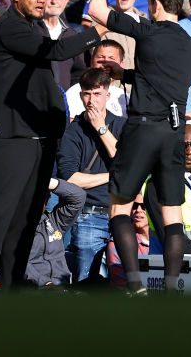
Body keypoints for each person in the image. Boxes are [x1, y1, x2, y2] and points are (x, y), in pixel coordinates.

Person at [0, 0, 101, 292]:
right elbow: (54, 51)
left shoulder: (31, 27)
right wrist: (95, 34)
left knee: (24, 222)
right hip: (11, 138)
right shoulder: (8, 26)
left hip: (37, 139)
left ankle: (11, 289)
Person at [87, 0, 191, 294]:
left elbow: (96, 9)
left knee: (119, 207)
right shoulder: (190, 45)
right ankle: (173, 286)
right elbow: (161, 77)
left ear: (155, 4)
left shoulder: (147, 30)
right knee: (172, 214)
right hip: (174, 131)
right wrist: (127, 74)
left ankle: (135, 284)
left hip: (144, 127)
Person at [57, 67, 124, 282]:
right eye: (87, 93)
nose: (91, 100)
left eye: (97, 93)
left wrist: (101, 129)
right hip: (88, 216)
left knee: (121, 284)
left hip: (121, 215)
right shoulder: (73, 131)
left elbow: (125, 163)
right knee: (85, 283)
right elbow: (71, 179)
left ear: (107, 95)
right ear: (80, 95)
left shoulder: (122, 125)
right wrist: (110, 176)